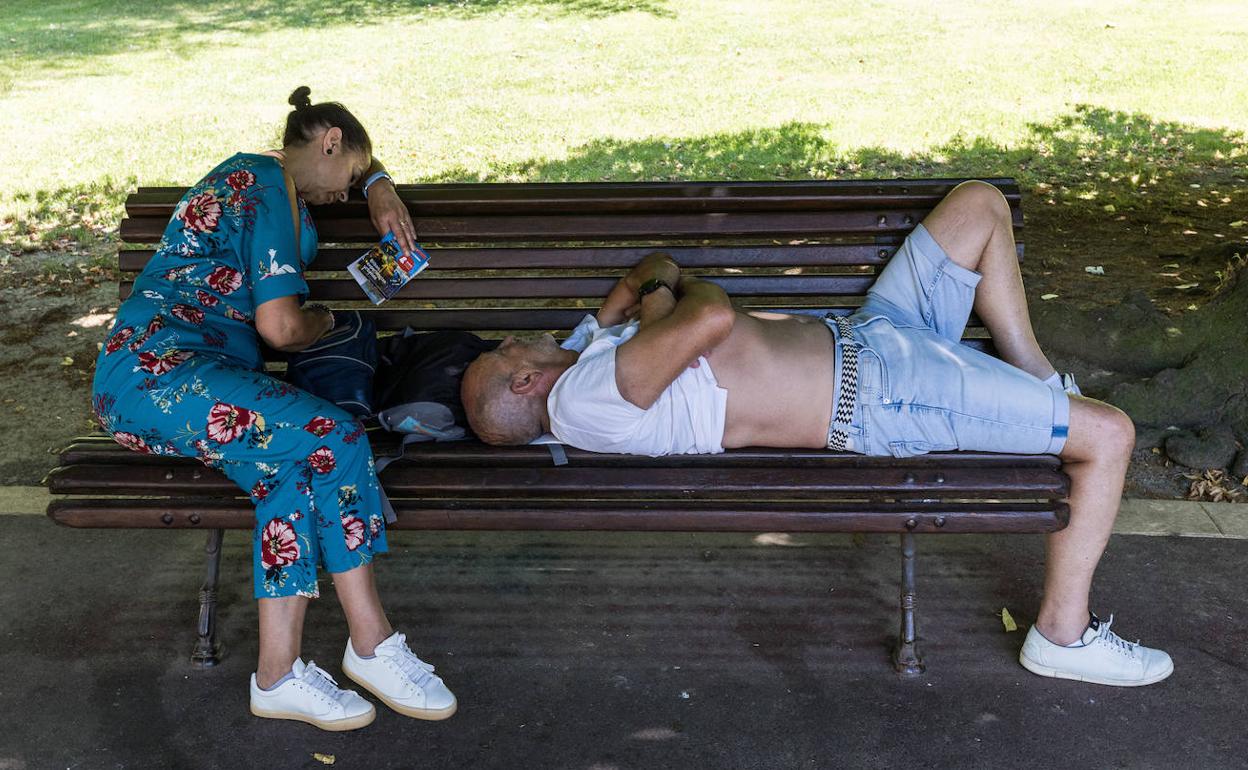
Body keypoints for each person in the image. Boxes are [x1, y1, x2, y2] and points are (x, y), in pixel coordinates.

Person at [461, 180, 1173, 687]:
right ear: (524, 383)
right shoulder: (582, 399)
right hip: (885, 394)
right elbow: (707, 311)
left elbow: (655, 272)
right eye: (505, 349)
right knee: (1109, 435)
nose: (513, 338)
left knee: (979, 205)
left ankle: (1039, 383)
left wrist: (651, 296)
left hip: (871, 335)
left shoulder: (591, 361)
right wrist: (676, 295)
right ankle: (1061, 634)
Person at [92, 87, 456, 730]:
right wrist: (328, 319)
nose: (341, 195)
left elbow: (350, 166)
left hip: (196, 379)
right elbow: (283, 329)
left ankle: (278, 675)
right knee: (337, 437)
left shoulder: (274, 183)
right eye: (345, 176)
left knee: (290, 470)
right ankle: (372, 643)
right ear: (328, 142)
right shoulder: (262, 179)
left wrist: (377, 181)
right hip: (160, 372)